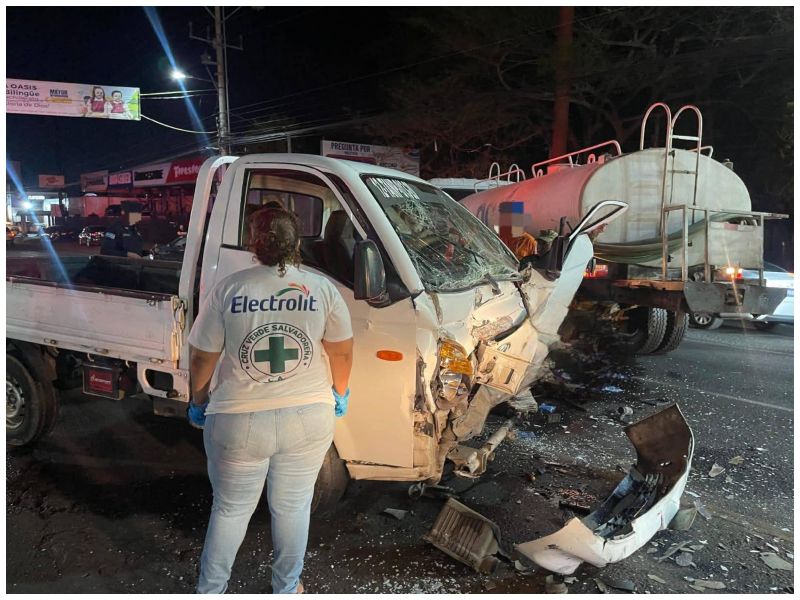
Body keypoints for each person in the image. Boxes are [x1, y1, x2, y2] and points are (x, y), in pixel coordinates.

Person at [187, 207, 354, 594]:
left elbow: (201, 356)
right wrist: (340, 394)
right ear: (298, 242)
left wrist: (198, 400)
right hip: (309, 416)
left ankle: (209, 591)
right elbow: (343, 352)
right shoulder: (322, 289)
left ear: (253, 243)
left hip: (238, 419)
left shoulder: (229, 288)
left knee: (230, 511)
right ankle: (286, 588)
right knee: (293, 508)